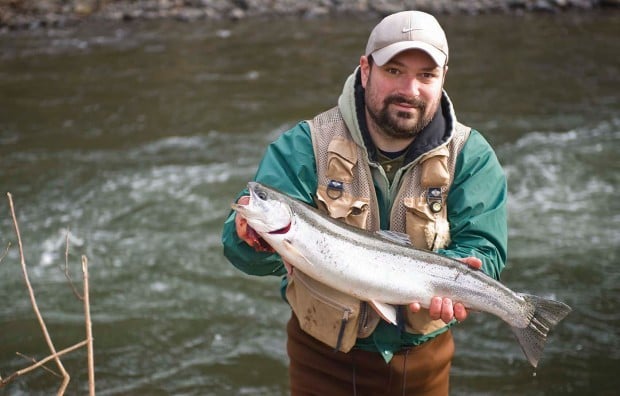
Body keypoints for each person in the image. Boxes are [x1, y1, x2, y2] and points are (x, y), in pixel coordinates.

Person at [222, 10, 507, 396]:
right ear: (366, 68)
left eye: (426, 75)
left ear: (442, 79)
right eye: (394, 70)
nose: (410, 88)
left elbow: (484, 247)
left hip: (424, 366)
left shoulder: (471, 156)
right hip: (320, 363)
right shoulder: (305, 146)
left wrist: (470, 269)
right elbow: (242, 253)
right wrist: (251, 239)